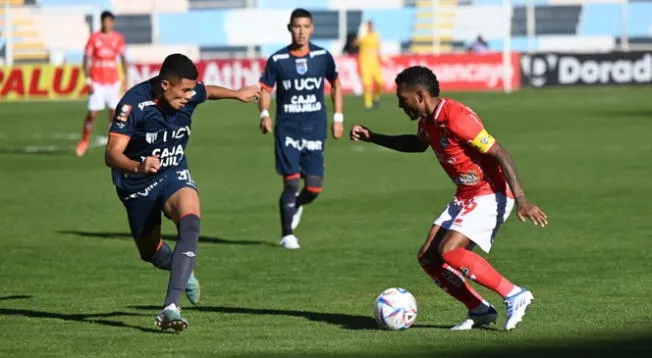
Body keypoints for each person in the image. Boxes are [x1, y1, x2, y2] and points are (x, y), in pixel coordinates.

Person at [350, 66, 547, 331]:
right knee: (428, 257)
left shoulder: (455, 117)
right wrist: (374, 137)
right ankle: (479, 310)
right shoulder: (428, 122)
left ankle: (514, 294)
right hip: (466, 195)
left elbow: (499, 152)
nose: (400, 105)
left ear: (420, 95)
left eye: (402, 99)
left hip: (491, 192)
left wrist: (522, 199)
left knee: (450, 251)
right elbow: (417, 145)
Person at [105, 53, 260, 332]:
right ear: (165, 85)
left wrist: (237, 94)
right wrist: (139, 165)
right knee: (149, 251)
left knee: (191, 221)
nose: (190, 96)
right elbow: (111, 154)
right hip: (137, 183)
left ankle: (170, 307)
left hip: (173, 171)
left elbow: (208, 91)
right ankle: (184, 273)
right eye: (184, 90)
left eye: (192, 89)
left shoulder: (189, 93)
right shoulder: (133, 104)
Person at [258, 8, 344, 249]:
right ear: (290, 28)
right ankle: (287, 234)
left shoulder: (322, 57)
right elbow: (265, 89)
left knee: (314, 188)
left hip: (315, 129)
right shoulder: (278, 60)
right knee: (291, 183)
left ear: (312, 29)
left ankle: (296, 204)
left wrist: (338, 117)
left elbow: (336, 85)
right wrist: (264, 113)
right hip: (287, 130)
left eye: (306, 26)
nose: (301, 31)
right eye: (297, 26)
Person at [76, 10, 127, 157]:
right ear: (101, 22)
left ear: (113, 22)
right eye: (104, 21)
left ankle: (113, 144)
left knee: (114, 114)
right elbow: (86, 60)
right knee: (92, 113)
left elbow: (123, 59)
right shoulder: (94, 39)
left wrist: (125, 80)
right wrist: (88, 80)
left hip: (113, 82)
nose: (107, 24)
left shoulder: (118, 39)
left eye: (109, 21)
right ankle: (84, 141)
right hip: (97, 82)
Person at [357, 21, 384, 111]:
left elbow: (378, 49)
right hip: (365, 64)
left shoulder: (376, 36)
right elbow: (356, 43)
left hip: (375, 64)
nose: (370, 28)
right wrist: (361, 33)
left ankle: (376, 97)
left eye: (371, 26)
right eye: (369, 26)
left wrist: (382, 58)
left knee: (380, 83)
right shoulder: (363, 36)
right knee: (367, 84)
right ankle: (368, 104)